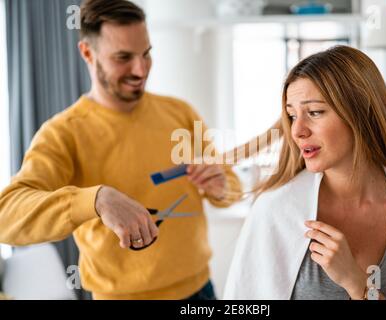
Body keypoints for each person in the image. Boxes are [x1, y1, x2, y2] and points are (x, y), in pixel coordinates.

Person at [0, 0, 241, 300]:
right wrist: (96, 199)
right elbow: (6, 216)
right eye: (123, 57)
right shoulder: (63, 133)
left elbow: (231, 188)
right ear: (88, 53)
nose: (140, 69)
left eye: (146, 54)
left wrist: (221, 187)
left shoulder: (180, 113)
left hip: (199, 291)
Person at [224, 45, 386, 300]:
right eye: (291, 115)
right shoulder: (274, 211)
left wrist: (357, 284)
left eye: (315, 112)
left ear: (362, 112)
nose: (297, 131)